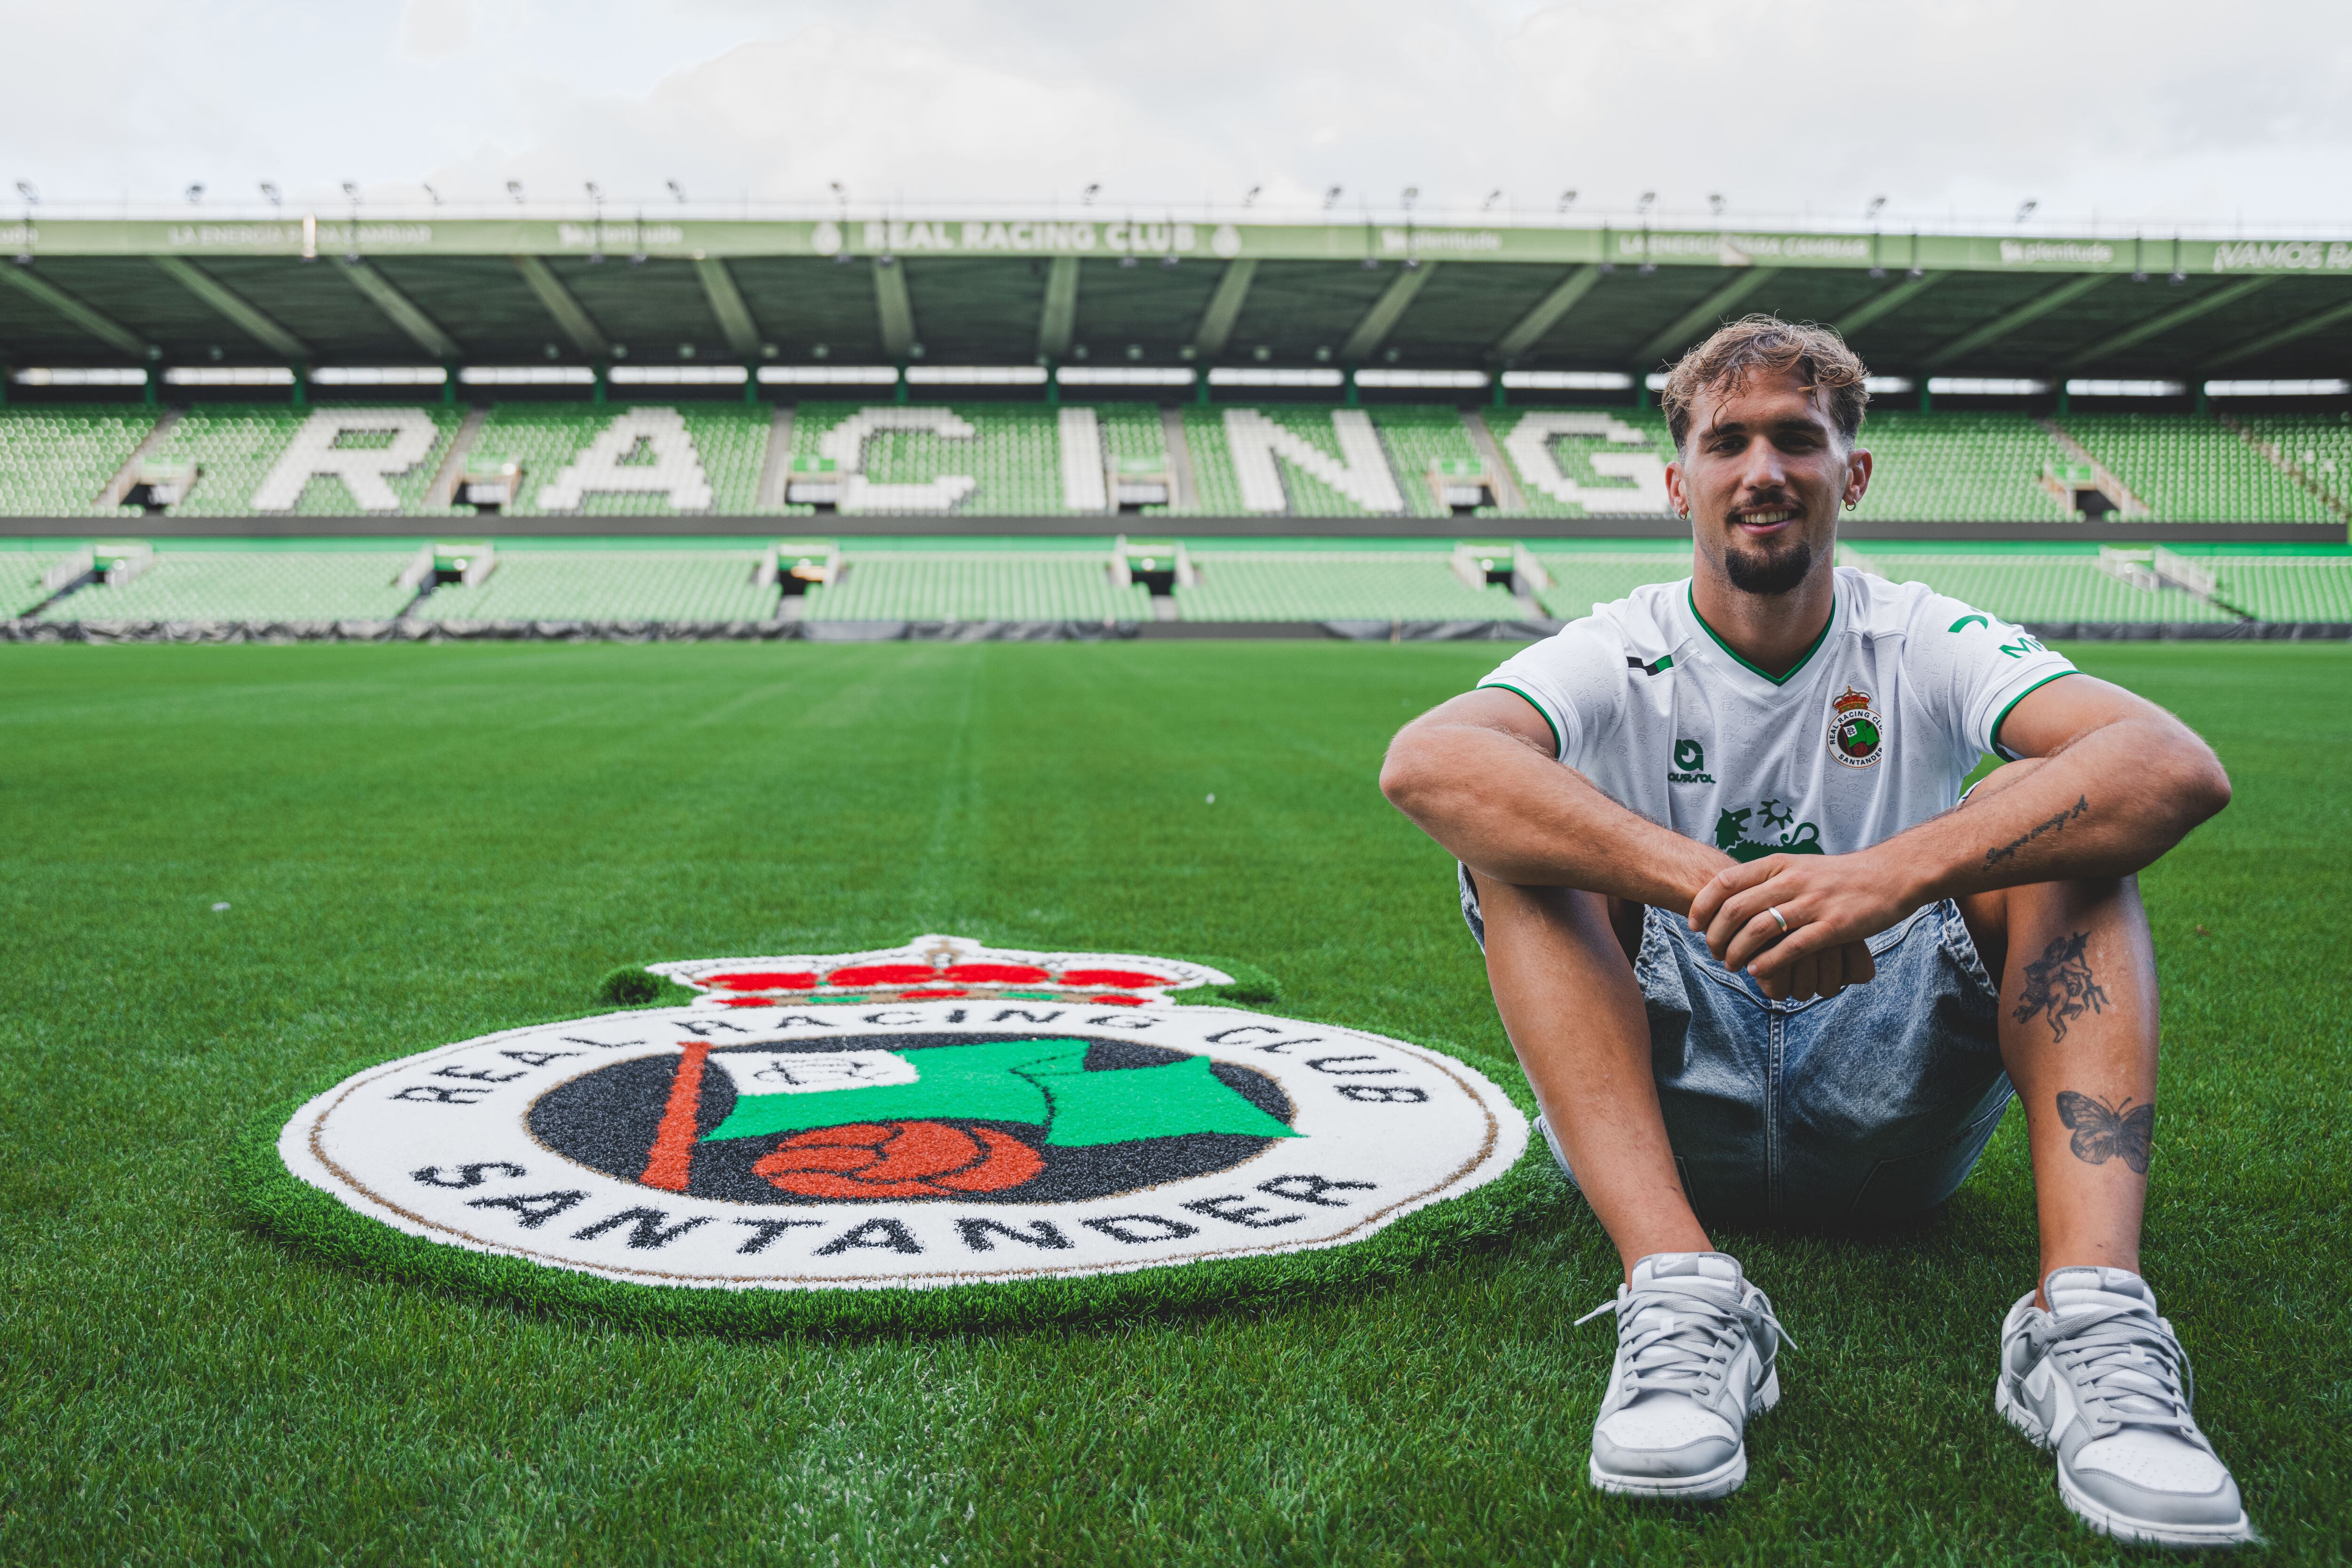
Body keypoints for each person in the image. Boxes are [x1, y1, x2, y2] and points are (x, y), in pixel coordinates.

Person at [1378, 316, 2249, 1548]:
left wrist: (1881, 880)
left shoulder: (1921, 636)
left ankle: (2088, 1317)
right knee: (1522, 831)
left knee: (2061, 816)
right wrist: (1700, 882)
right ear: (1679, 480)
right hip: (1664, 1101)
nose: (1763, 470)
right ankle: (1678, 1286)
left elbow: (2172, 765)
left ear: (1854, 471)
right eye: (1727, 441)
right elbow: (1431, 761)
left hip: (1887, 1093)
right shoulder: (1620, 646)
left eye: (1799, 436)